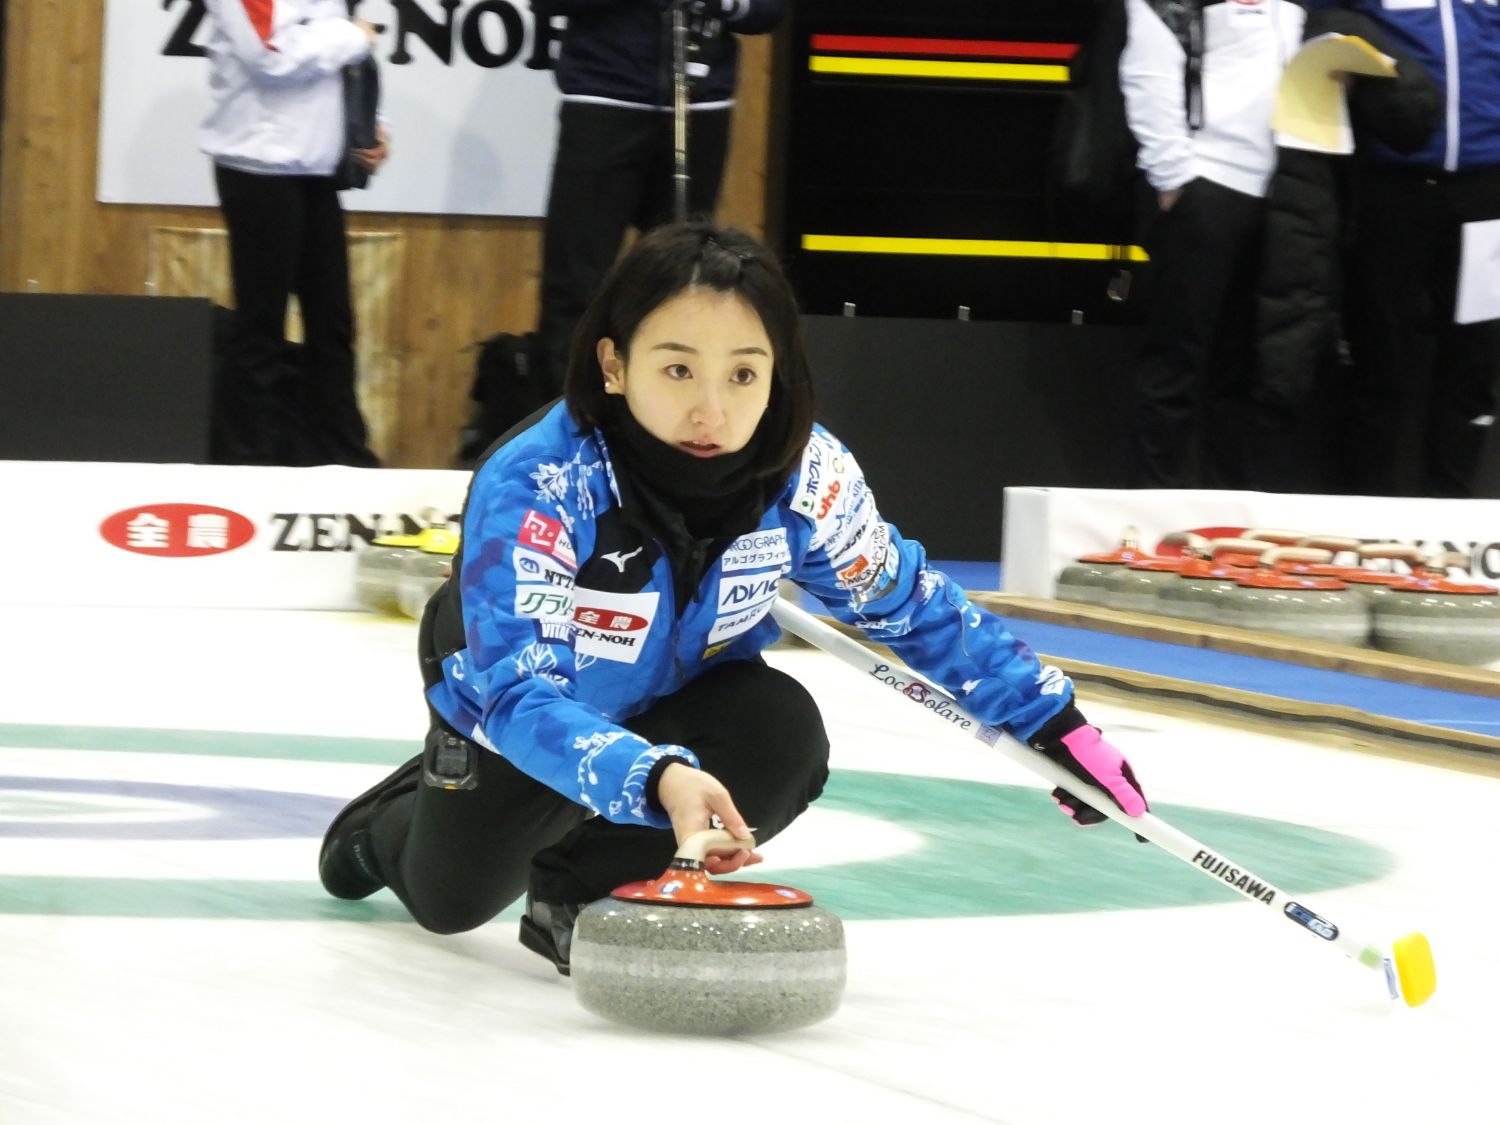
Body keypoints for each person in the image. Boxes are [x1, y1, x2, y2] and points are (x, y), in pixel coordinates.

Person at [317, 222, 1150, 974]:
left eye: (744, 373)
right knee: (450, 904)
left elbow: (911, 604)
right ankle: (388, 821)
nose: (711, 408)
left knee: (781, 733)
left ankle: (577, 894)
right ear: (614, 363)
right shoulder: (541, 478)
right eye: (677, 367)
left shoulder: (805, 474)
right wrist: (655, 780)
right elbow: (515, 690)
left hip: (685, 690)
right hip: (525, 695)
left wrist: (1055, 724)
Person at [529, 0, 785, 399]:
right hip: (603, 100)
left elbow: (767, 12)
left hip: (700, 105)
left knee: (681, 280)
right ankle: (566, 424)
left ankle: (668, 418)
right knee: (576, 283)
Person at [1121, 0, 1309, 488]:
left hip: (1283, 195)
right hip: (1206, 186)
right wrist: (1175, 178)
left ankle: (1228, 524)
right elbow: (1148, 69)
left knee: (1246, 369)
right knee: (1175, 363)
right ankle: (1148, 514)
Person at [200, 0, 389, 468]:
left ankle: (341, 457)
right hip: (258, 166)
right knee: (262, 326)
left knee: (333, 324)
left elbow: (333, 57)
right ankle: (247, 462)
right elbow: (270, 56)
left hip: (315, 167)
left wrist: (368, 124)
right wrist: (354, 35)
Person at [1335, 0, 1500, 498]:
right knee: (1381, 359)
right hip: (1394, 185)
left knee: (1475, 360)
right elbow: (1320, 25)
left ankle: (1452, 514)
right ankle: (1366, 519)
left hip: (1487, 190)